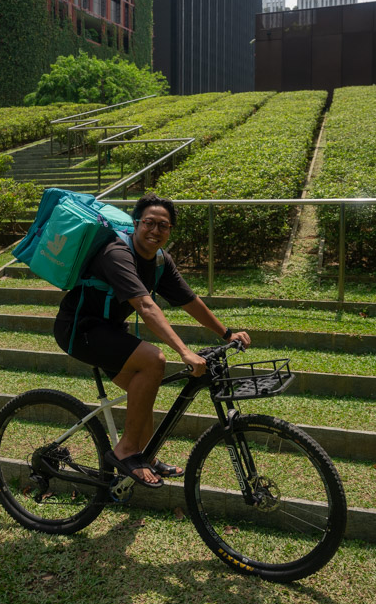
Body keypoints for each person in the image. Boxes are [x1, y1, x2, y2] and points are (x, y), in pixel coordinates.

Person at [54, 193, 251, 488]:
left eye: (164, 225)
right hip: (78, 329)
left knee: (143, 389)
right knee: (154, 360)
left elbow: (189, 300)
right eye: (149, 223)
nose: (155, 230)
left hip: (109, 331)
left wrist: (226, 333)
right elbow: (146, 307)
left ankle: (144, 454)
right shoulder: (116, 253)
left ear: (170, 231)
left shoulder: (159, 260)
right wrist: (183, 351)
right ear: (135, 224)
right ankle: (127, 451)